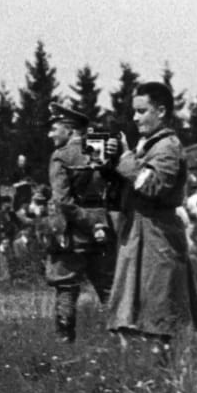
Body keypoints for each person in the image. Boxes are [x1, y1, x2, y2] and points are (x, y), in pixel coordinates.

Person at [101, 81, 197, 358]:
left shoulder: (168, 148)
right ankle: (136, 378)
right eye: (134, 112)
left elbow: (154, 185)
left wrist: (125, 159)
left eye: (141, 111)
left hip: (157, 238)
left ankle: (160, 381)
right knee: (128, 316)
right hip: (137, 235)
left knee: (157, 317)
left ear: (160, 111)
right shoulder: (147, 146)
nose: (135, 118)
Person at [46, 103, 117, 343]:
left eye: (54, 128)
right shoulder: (98, 152)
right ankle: (121, 345)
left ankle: (64, 346)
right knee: (108, 289)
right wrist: (98, 224)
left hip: (72, 234)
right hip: (102, 230)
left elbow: (63, 201)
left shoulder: (61, 156)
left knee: (66, 288)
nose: (51, 134)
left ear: (69, 130)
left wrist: (86, 222)